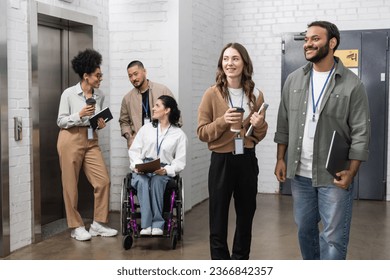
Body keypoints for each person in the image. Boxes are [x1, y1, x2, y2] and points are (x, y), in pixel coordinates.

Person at [274, 21, 370, 260]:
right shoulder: (294, 80)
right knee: (305, 231)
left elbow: (361, 132)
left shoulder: (352, 84)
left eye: (315, 39)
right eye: (307, 39)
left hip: (333, 175)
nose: (308, 43)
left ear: (332, 42)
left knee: (333, 238)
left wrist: (352, 171)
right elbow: (283, 122)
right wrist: (280, 158)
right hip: (300, 174)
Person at [197, 42, 268, 260]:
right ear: (221, 64)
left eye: (235, 58)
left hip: (247, 160)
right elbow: (201, 132)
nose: (230, 63)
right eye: (226, 59)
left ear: (244, 63)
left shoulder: (256, 95)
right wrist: (222, 121)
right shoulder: (212, 94)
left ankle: (240, 263)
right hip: (221, 161)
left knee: (246, 217)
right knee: (217, 218)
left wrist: (259, 124)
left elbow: (259, 135)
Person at [57, 49, 118, 241]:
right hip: (70, 138)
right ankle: (76, 226)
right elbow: (61, 121)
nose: (100, 78)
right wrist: (80, 114)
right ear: (86, 76)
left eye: (101, 75)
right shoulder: (68, 94)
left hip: (91, 139)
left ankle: (98, 224)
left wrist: (100, 123)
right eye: (97, 75)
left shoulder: (99, 95)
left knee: (103, 181)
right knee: (70, 185)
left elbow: (96, 119)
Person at [129, 95, 187, 236]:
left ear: (167, 110)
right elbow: (134, 151)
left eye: (157, 105)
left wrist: (166, 170)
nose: (153, 108)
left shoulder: (178, 134)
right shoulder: (146, 129)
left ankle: (157, 224)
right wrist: (138, 166)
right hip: (143, 167)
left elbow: (180, 161)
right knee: (142, 182)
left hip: (162, 170)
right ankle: (146, 225)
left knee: (156, 182)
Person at [119, 60, 175, 148]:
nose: (133, 78)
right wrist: (129, 137)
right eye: (130, 76)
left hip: (162, 145)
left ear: (144, 71)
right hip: (139, 146)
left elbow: (176, 116)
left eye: (136, 74)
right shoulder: (127, 99)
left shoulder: (163, 91)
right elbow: (124, 122)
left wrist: (168, 138)